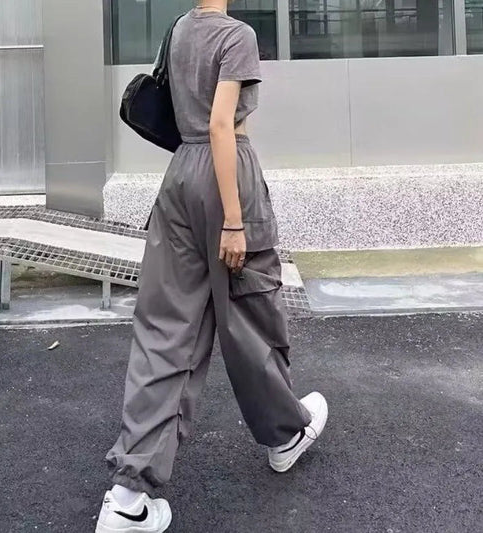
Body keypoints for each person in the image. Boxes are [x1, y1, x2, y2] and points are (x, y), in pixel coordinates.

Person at [95, 2, 328, 532]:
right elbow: (222, 124)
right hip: (225, 176)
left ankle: (127, 496)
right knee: (250, 317)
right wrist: (233, 221)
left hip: (179, 178)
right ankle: (285, 435)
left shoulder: (179, 30)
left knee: (165, 330)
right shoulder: (237, 35)